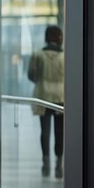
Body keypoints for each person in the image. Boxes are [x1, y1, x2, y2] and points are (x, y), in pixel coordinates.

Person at [28, 25, 64, 178]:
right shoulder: (65, 56)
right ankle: (59, 163)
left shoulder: (37, 55)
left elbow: (32, 75)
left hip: (42, 95)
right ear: (59, 38)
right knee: (60, 131)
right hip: (61, 97)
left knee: (45, 131)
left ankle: (46, 162)